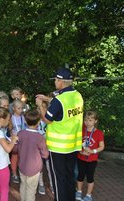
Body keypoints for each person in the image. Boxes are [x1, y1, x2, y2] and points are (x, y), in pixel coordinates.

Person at [36, 68, 84, 201]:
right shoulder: (77, 95)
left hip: (58, 148)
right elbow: (62, 104)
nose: (55, 83)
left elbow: (47, 119)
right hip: (73, 145)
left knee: (59, 180)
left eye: (56, 80)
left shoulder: (58, 101)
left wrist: (41, 105)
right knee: (69, 176)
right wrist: (47, 98)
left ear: (61, 82)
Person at [18, 109, 49, 201]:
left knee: (23, 185)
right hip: (34, 168)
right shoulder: (39, 137)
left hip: (22, 166)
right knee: (31, 190)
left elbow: (16, 148)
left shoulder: (20, 134)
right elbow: (45, 154)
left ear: (25, 120)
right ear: (39, 122)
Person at [0, 107, 18, 201]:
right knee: (5, 189)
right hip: (2, 166)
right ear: (1, 119)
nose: (9, 122)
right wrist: (13, 140)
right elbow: (8, 149)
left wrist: (8, 141)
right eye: (8, 119)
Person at [75, 111, 104, 201]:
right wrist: (80, 151)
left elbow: (102, 146)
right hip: (81, 158)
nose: (87, 122)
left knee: (90, 178)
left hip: (92, 160)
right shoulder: (81, 131)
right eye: (86, 120)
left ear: (95, 121)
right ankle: (79, 191)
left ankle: (88, 195)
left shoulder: (99, 133)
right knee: (80, 176)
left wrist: (92, 151)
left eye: (90, 120)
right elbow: (77, 143)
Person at [10, 99, 27, 184]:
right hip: (14, 142)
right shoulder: (10, 118)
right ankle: (14, 173)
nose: (20, 110)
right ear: (13, 108)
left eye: (21, 108)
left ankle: (21, 172)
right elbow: (9, 130)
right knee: (14, 157)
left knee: (22, 157)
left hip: (22, 141)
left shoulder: (23, 117)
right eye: (18, 108)